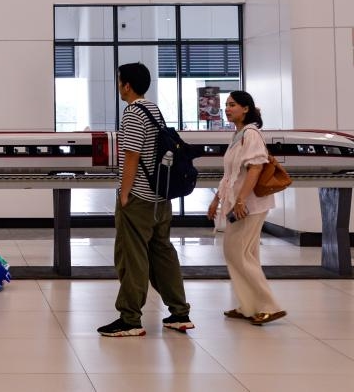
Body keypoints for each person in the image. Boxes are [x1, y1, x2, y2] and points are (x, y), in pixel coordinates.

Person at [98, 62, 193, 337]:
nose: (118, 86)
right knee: (163, 253)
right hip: (161, 197)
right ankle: (180, 313)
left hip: (139, 197)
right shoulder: (154, 109)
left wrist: (124, 193)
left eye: (119, 81)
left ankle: (130, 319)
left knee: (132, 256)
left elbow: (132, 155)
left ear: (127, 85)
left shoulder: (132, 113)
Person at [208, 91, 286, 326]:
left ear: (246, 108)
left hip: (249, 205)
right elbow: (230, 174)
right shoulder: (238, 135)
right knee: (246, 254)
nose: (227, 109)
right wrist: (217, 199)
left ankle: (270, 306)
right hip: (239, 203)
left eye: (232, 105)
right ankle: (249, 306)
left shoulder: (251, 134)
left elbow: (256, 168)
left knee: (236, 253)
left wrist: (241, 200)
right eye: (226, 105)